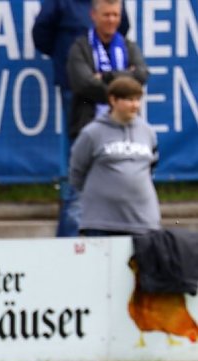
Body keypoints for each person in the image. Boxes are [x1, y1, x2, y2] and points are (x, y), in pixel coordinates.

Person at [32, 0, 131, 237]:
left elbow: (122, 29)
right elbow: (41, 34)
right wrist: (68, 61)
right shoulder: (61, 6)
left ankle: (103, 229)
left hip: (112, 93)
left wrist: (107, 76)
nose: (110, 20)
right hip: (75, 91)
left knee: (112, 156)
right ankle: (69, 235)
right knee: (78, 156)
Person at [70, 77, 160, 237]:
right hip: (101, 223)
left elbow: (151, 167)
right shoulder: (92, 133)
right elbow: (77, 173)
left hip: (144, 222)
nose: (135, 105)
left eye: (138, 100)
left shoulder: (148, 132)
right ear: (113, 100)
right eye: (129, 100)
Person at [66, 0, 148, 141]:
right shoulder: (80, 48)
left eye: (115, 15)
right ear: (93, 15)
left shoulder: (129, 46)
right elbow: (84, 84)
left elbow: (141, 75)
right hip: (88, 126)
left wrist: (106, 77)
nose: (111, 20)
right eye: (106, 15)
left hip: (127, 129)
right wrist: (125, 85)